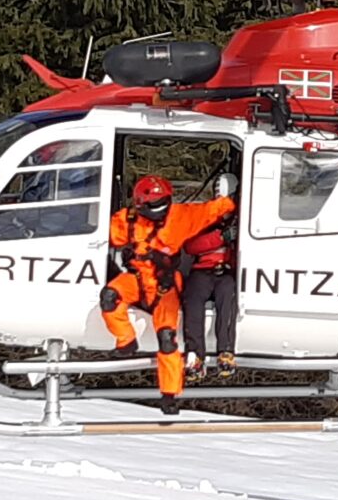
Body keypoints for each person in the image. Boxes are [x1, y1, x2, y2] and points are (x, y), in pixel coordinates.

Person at [100, 175, 235, 404]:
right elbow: (100, 233)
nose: (159, 210)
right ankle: (126, 341)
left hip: (165, 286)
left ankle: (170, 393)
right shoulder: (127, 220)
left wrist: (233, 202)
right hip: (136, 280)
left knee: (166, 337)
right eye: (154, 205)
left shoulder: (181, 216)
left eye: (162, 203)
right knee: (110, 297)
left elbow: (209, 210)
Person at [180, 173, 240, 380]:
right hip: (202, 270)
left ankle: (226, 350)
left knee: (229, 298)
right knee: (192, 299)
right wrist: (221, 237)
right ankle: (195, 353)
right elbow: (190, 246)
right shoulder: (205, 218)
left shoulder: (243, 220)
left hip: (227, 272)